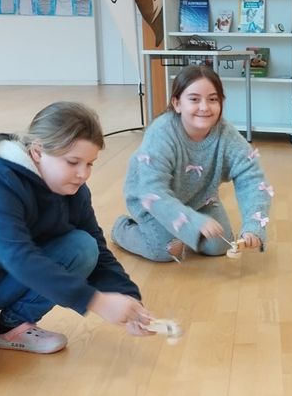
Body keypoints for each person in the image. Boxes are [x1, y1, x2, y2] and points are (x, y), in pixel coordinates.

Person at [0, 102, 153, 372]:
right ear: (38, 151)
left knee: (82, 246)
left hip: (1, 280)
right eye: (73, 162)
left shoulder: (73, 189)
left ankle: (9, 327)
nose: (83, 174)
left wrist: (128, 300)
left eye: (90, 164)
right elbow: (20, 258)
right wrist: (97, 301)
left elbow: (97, 249)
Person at [112, 64, 272, 262]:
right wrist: (193, 221)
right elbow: (152, 190)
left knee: (219, 245)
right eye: (194, 99)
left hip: (200, 199)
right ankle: (122, 229)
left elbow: (252, 178)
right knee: (165, 251)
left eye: (213, 99)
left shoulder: (226, 134)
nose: (204, 107)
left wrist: (253, 226)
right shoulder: (161, 133)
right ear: (177, 103)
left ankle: (185, 230)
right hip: (151, 201)